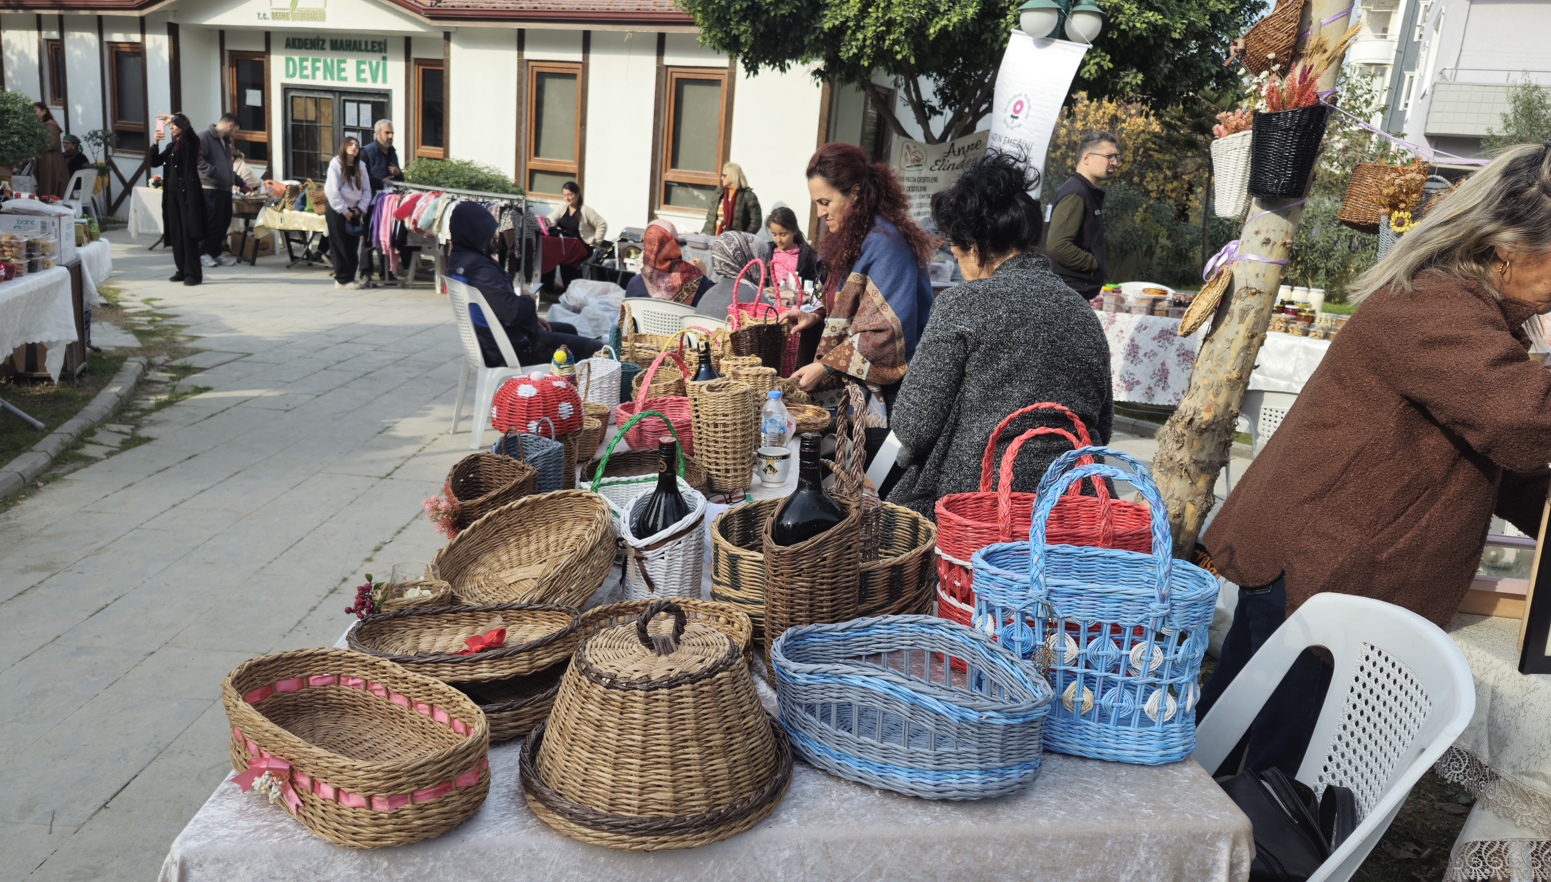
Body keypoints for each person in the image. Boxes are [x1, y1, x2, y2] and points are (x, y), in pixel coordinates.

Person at [1197, 142, 1551, 778]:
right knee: (1267, 773)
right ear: (1507, 245)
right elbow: (1523, 420)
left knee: (1238, 746)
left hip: (1326, 563)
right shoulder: (1438, 307)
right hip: (1323, 569)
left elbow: (1501, 451)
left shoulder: (1469, 312)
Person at [886, 152, 1112, 521]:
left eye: (957, 255)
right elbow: (1101, 426)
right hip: (1074, 508)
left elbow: (914, 425)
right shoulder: (1082, 312)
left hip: (979, 508)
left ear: (974, 248)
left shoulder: (963, 303)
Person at [781, 142, 934, 417]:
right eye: (816, 203)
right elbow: (848, 303)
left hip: (894, 394)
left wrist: (826, 366)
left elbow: (886, 332)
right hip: (857, 386)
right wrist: (815, 316)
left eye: (825, 202)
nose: (820, 213)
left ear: (854, 193)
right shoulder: (852, 236)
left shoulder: (888, 245)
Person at [447, 201, 601, 367]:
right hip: (512, 349)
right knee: (598, 350)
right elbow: (513, 313)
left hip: (495, 340)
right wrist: (528, 298)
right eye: (489, 231)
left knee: (569, 329)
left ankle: (562, 381)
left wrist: (530, 319)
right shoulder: (481, 269)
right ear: (476, 232)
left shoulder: (457, 261)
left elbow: (498, 306)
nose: (496, 235)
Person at [1044, 130, 1119, 301]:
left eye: (1116, 157)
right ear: (1086, 158)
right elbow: (1057, 246)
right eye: (1109, 156)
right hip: (1068, 295)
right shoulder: (1076, 193)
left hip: (1071, 294)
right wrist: (1094, 263)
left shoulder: (1081, 190)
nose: (1114, 162)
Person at [149, 113, 207, 286]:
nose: (171, 127)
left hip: (187, 195)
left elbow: (189, 131)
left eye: (174, 124)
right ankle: (181, 270)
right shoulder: (172, 146)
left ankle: (193, 274)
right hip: (171, 195)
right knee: (176, 233)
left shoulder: (191, 142)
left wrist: (173, 117)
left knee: (188, 234)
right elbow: (154, 162)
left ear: (183, 125)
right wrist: (155, 143)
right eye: (169, 125)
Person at [625, 220, 712, 305]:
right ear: (674, 243)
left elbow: (627, 312)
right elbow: (707, 308)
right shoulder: (698, 279)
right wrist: (701, 273)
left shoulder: (636, 283)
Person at [324, 136, 372, 289]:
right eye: (351, 144)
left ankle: (350, 277)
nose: (354, 147)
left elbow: (367, 191)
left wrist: (360, 209)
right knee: (339, 244)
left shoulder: (361, 166)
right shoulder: (335, 164)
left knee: (352, 245)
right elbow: (332, 191)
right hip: (337, 209)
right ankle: (342, 280)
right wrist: (345, 211)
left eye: (357, 145)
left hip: (354, 210)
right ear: (344, 147)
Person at [361, 120, 406, 282]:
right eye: (387, 133)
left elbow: (401, 180)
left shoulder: (392, 152)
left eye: (392, 133)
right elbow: (359, 178)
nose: (390, 136)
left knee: (386, 235)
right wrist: (378, 182)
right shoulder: (366, 152)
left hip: (389, 201)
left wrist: (398, 173)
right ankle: (365, 272)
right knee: (369, 235)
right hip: (371, 201)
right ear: (377, 133)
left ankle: (387, 273)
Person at [196, 113, 240, 267]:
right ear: (230, 125)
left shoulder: (225, 142)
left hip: (225, 189)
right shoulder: (204, 136)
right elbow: (198, 161)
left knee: (223, 224)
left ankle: (215, 252)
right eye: (235, 131)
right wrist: (216, 173)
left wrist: (241, 183)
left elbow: (227, 168)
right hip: (210, 188)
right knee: (212, 223)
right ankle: (203, 254)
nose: (234, 134)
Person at [546, 181, 608, 289]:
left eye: (570, 195)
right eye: (565, 195)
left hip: (581, 246)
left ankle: (570, 288)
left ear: (577, 195)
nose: (567, 198)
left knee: (566, 259)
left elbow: (601, 224)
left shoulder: (585, 210)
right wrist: (552, 223)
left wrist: (596, 242)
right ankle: (549, 287)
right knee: (549, 254)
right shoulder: (562, 207)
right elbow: (551, 217)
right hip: (566, 246)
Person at [696, 230, 771, 319]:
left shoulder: (709, 293)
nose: (766, 274)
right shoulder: (755, 297)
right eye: (765, 265)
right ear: (751, 263)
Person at [767, 205, 819, 302]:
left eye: (783, 234)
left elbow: (812, 281)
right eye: (774, 234)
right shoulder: (766, 251)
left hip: (795, 302)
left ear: (794, 231)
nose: (778, 239)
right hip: (770, 300)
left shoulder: (806, 255)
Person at [701, 163, 762, 236]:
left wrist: (744, 237)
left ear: (732, 176)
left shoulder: (748, 196)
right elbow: (710, 220)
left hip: (735, 240)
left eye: (724, 175)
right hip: (714, 238)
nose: (721, 178)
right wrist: (704, 235)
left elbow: (756, 222)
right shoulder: (718, 194)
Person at [30, 103, 67, 198]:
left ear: (44, 111)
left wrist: (35, 145)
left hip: (51, 162)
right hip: (45, 160)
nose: (33, 114)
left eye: (35, 111)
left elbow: (51, 144)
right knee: (45, 187)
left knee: (50, 188)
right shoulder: (43, 125)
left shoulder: (50, 125)